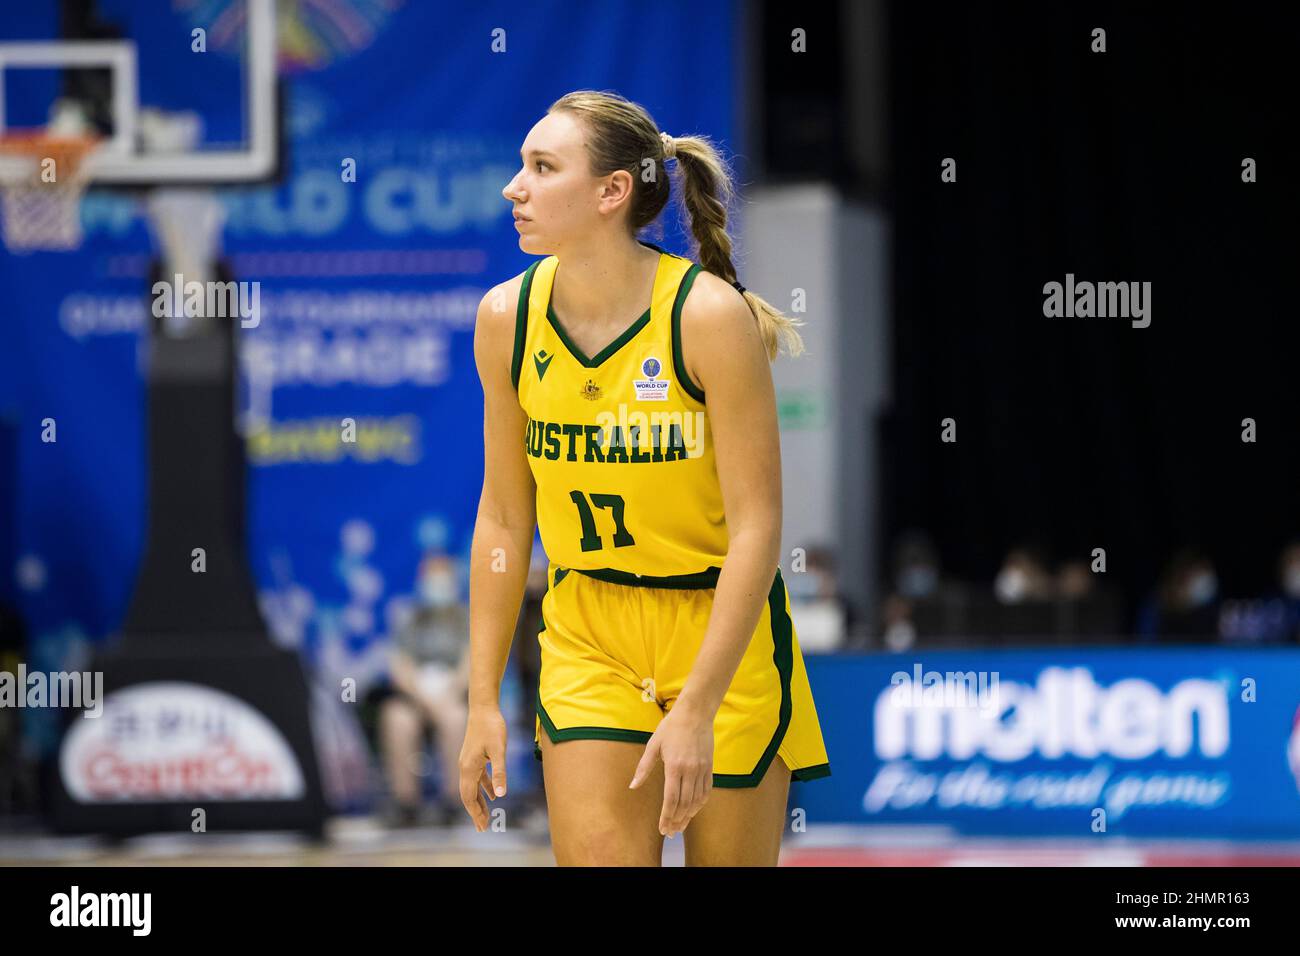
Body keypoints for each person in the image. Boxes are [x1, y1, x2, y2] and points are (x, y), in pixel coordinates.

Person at [460, 90, 831, 866]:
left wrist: (696, 705)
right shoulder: (506, 319)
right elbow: (501, 518)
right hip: (589, 631)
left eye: (541, 167)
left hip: (719, 629)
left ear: (611, 192)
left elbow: (760, 528)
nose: (513, 187)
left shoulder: (707, 318)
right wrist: (481, 700)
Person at [379, 553, 470, 826]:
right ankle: (406, 804)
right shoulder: (409, 618)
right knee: (396, 719)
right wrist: (421, 698)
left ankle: (454, 801)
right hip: (415, 696)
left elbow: (472, 663)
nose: (437, 585)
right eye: (432, 578)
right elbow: (399, 665)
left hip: (451, 695)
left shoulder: (466, 618)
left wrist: (448, 695)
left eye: (443, 578)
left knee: (456, 719)